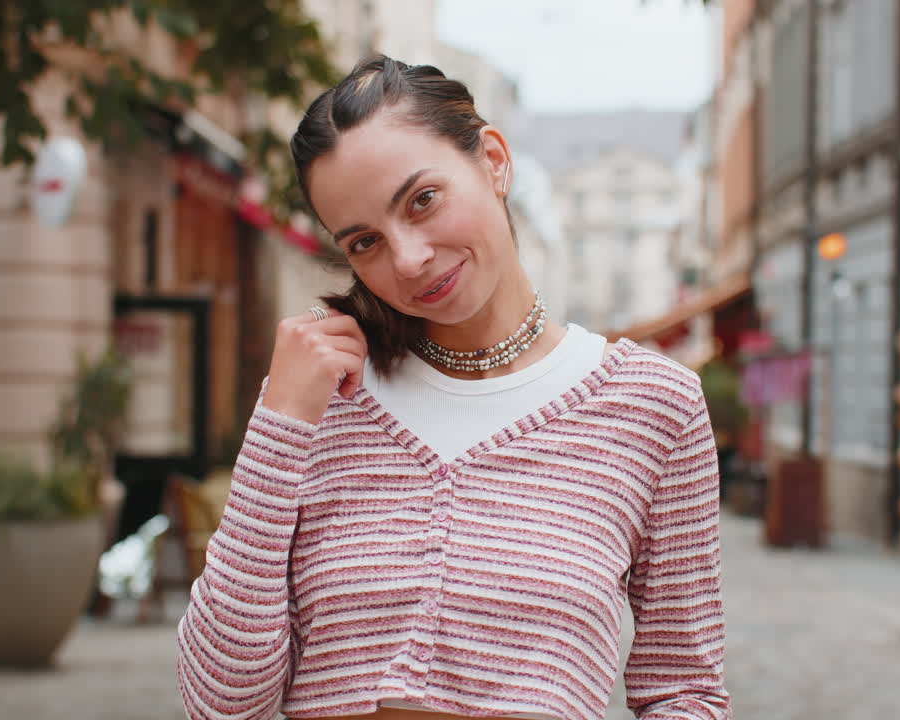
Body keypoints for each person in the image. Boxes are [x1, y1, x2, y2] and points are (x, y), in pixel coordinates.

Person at [177, 56, 731, 720]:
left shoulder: (652, 405)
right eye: (363, 242)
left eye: (423, 200)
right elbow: (220, 702)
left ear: (493, 161)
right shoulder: (317, 399)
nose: (408, 259)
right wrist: (280, 425)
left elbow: (684, 691)